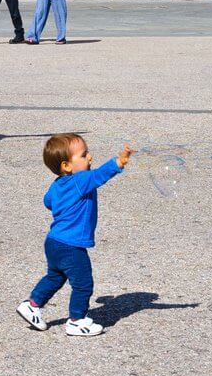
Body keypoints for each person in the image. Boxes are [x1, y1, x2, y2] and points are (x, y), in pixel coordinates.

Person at [16, 134, 133, 337]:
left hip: (53, 242)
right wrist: (119, 162)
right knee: (83, 283)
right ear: (67, 166)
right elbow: (101, 175)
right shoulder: (81, 180)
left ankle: (32, 305)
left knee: (55, 276)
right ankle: (77, 321)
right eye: (84, 154)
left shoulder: (57, 184)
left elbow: (48, 201)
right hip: (70, 246)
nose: (90, 157)